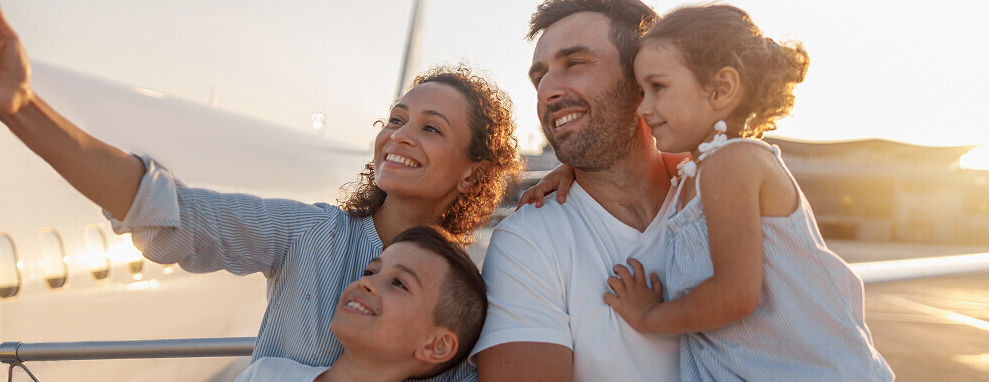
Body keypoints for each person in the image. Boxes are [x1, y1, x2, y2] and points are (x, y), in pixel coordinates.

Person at [0, 2, 521, 381]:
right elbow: (167, 212)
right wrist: (21, 109)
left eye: (431, 128)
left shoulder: (485, 293)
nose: (400, 136)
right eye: (396, 117)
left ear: (474, 173)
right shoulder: (309, 235)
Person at [522, 4, 895, 381]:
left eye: (657, 88)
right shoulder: (696, 171)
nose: (644, 106)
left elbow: (735, 293)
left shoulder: (731, 164)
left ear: (721, 89)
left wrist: (650, 317)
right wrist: (570, 165)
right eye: (640, 90)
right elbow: (622, 164)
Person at [472, 1, 687, 381]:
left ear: (645, 79)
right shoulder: (529, 240)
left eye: (574, 63)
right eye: (539, 77)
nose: (547, 90)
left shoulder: (720, 192)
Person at [235, 226, 487, 382]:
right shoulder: (268, 374)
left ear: (436, 345)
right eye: (370, 271)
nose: (366, 283)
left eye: (400, 283)